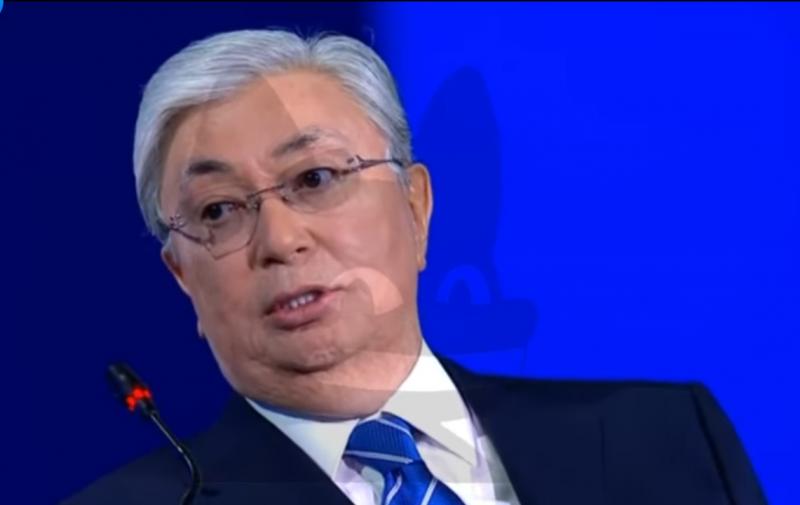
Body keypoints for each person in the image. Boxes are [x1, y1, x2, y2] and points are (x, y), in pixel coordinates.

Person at [62, 29, 768, 505]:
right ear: (183, 277)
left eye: (314, 178)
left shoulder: (668, 437)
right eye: (218, 210)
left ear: (416, 206)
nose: (280, 238)